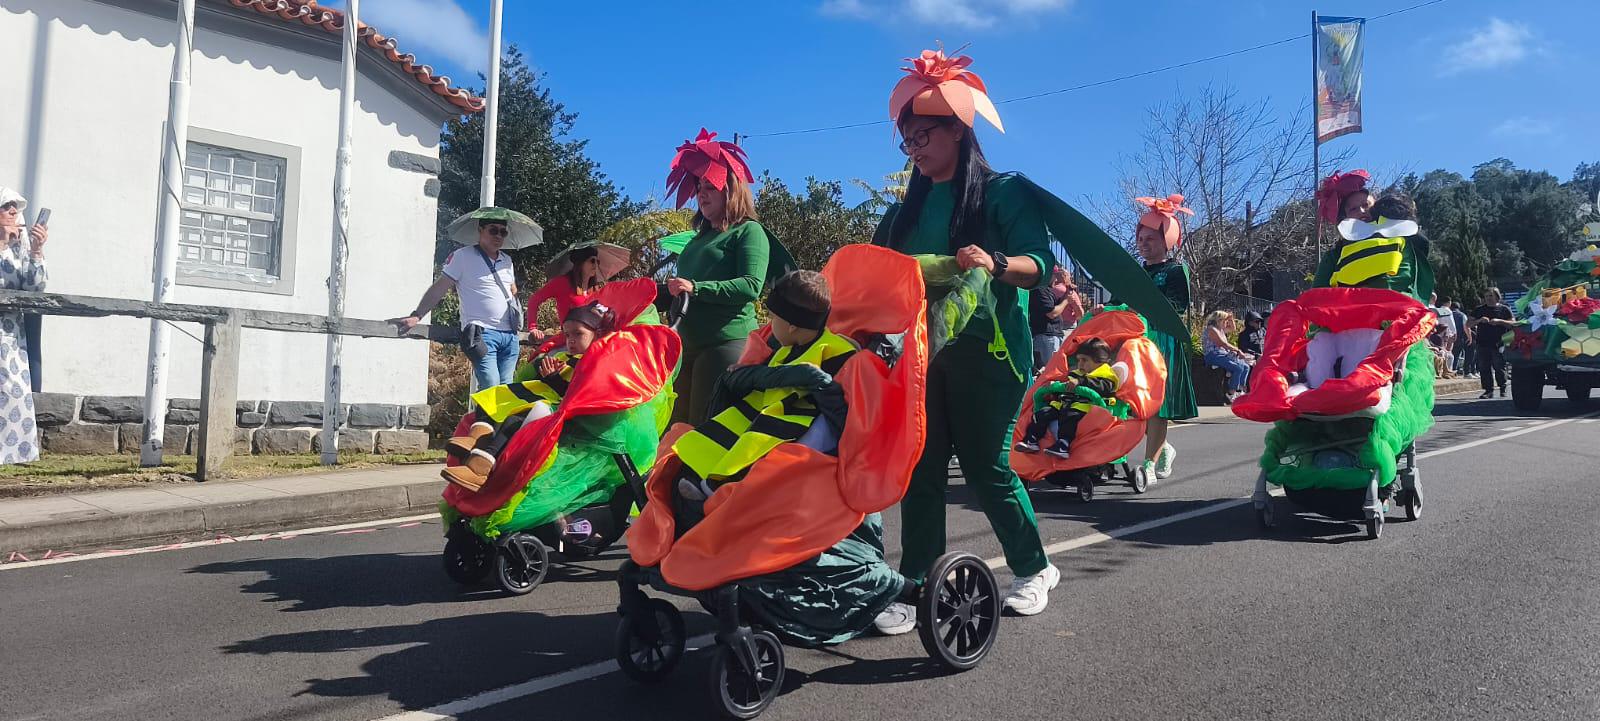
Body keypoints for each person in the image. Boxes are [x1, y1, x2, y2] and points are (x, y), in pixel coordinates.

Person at [673, 270, 854, 502]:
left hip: (795, 420)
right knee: (717, 430)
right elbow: (770, 373)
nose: (770, 324)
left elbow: (839, 399)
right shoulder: (786, 348)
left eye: (773, 318)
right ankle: (696, 473)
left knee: (752, 445)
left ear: (791, 326)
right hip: (762, 408)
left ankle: (715, 488)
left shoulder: (836, 349)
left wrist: (814, 380)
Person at [661, 128, 792, 426]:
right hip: (687, 349)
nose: (701, 194)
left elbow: (750, 286)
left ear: (730, 189)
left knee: (702, 430)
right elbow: (681, 290)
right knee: (674, 428)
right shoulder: (697, 240)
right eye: (698, 188)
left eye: (710, 187)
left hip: (724, 345)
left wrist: (697, 287)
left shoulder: (749, 231)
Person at [442, 301, 617, 491]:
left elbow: (577, 394)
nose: (571, 340)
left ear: (597, 335)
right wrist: (540, 367)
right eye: (567, 335)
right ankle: (477, 438)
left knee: (513, 421)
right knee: (493, 396)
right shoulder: (564, 357)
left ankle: (479, 469)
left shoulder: (593, 363)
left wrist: (552, 377)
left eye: (578, 334)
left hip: (556, 409)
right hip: (537, 395)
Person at [394, 216, 521, 391]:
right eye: (493, 230)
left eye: (503, 232)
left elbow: (511, 289)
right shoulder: (463, 256)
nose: (498, 236)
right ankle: (482, 418)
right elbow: (440, 288)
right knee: (491, 386)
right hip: (482, 333)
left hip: (510, 335)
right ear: (481, 230)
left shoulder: (507, 260)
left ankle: (487, 418)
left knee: (506, 390)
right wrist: (417, 315)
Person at [1133, 194, 1197, 482]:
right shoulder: (1134, 272)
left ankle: (1150, 462)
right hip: (1134, 343)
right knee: (1134, 404)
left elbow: (1177, 306)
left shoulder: (1175, 270)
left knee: (1157, 405)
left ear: (1166, 241)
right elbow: (1119, 302)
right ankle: (1164, 447)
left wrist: (1142, 309)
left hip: (1161, 344)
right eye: (1141, 239)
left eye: (1151, 239)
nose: (1144, 244)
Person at [0, 188, 45, 464]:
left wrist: (37, 251)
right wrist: (2, 244)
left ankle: (14, 454)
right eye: (9, 208)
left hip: (11, 335)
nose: (15, 214)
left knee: (13, 391)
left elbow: (35, 288)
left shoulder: (21, 247)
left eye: (17, 210)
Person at [1014, 338, 1118, 458]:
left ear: (1100, 362)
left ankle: (1063, 444)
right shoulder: (1076, 374)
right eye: (1079, 360)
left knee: (1069, 416)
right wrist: (1055, 390)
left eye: (1085, 360)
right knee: (1043, 413)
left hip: (1088, 409)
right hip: (1065, 404)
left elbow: (1101, 387)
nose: (1080, 364)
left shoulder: (1107, 377)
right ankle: (1031, 440)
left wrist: (1080, 382)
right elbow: (1067, 387)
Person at [524, 246, 604, 342]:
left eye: (597, 261)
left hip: (593, 341)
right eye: (592, 261)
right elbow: (534, 300)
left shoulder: (596, 288)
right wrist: (533, 328)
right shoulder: (562, 283)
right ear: (581, 262)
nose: (596, 265)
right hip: (570, 343)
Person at [1029, 267, 1082, 373]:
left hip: (1052, 336)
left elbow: (1062, 303)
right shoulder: (1040, 290)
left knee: (1055, 370)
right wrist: (1067, 300)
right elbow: (1052, 313)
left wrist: (1068, 286)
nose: (1056, 280)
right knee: (1048, 372)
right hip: (1046, 337)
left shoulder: (1048, 291)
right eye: (1055, 276)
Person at [1470, 287, 1515, 398]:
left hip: (1498, 343)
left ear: (1497, 296)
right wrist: (1479, 320)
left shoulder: (1504, 309)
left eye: (1491, 296)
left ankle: (1502, 387)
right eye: (1486, 296)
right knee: (1484, 367)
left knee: (1499, 367)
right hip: (1482, 343)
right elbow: (1468, 324)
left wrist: (1499, 321)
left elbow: (1513, 323)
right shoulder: (1479, 310)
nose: (1488, 298)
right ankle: (1488, 390)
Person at [1202, 311, 1253, 402]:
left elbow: (1233, 329)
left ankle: (1240, 390)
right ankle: (1231, 393)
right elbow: (1222, 343)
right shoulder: (1211, 329)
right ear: (1219, 320)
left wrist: (1231, 318)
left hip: (1223, 354)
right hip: (1213, 355)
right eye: (1225, 320)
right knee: (1238, 368)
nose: (1226, 323)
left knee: (1245, 366)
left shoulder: (1220, 329)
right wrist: (1237, 350)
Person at [1453, 300, 1476, 376]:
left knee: (1454, 355)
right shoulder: (1462, 315)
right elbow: (1466, 327)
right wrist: (1469, 337)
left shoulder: (1448, 314)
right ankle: (1467, 371)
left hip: (1450, 338)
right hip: (1461, 337)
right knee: (1467, 355)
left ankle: (1453, 370)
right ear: (1459, 308)